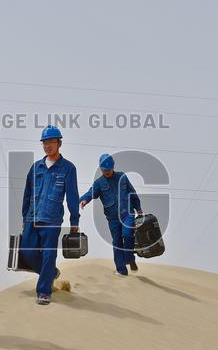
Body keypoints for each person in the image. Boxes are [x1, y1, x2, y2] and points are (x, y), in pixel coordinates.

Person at [19, 125, 81, 305]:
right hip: (32, 217)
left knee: (48, 255)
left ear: (59, 143)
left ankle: (44, 291)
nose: (48, 145)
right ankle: (51, 273)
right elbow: (27, 193)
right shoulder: (35, 167)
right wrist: (24, 217)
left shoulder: (68, 168)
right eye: (45, 142)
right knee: (26, 251)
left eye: (51, 142)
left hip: (52, 219)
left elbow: (72, 195)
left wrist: (74, 219)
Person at [79, 153, 143, 276]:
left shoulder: (122, 177)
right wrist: (84, 200)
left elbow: (132, 193)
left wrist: (138, 208)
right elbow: (90, 193)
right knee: (117, 242)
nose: (107, 172)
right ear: (101, 169)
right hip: (113, 219)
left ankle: (129, 259)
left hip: (127, 214)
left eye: (109, 169)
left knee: (128, 235)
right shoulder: (99, 183)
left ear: (113, 167)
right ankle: (121, 270)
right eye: (104, 170)